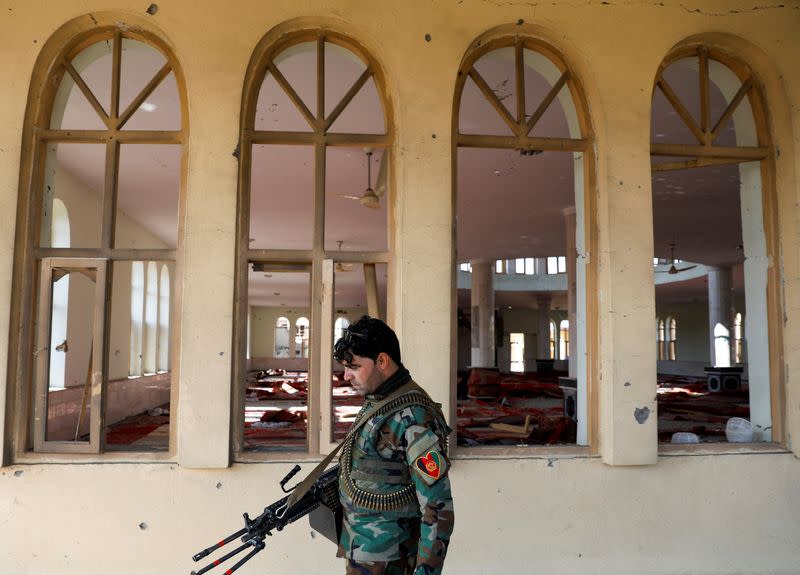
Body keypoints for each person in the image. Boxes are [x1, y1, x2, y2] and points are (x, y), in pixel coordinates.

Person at [333, 315, 455, 575]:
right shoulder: (379, 400)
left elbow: (438, 507)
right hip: (364, 551)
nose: (346, 376)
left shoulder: (414, 419)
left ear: (382, 361)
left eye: (353, 366)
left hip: (390, 560)